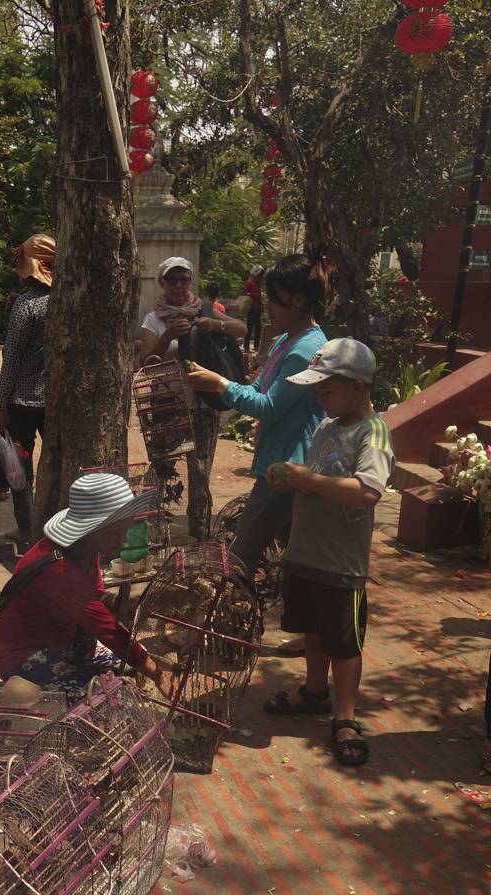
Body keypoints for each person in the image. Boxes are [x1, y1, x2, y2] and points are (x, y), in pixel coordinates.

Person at [262, 339, 395, 767]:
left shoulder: (371, 432)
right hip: (306, 551)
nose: (319, 399)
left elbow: (367, 492)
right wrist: (294, 479)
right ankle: (315, 690)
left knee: (343, 640)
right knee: (313, 629)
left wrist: (310, 481)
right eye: (316, 391)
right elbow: (319, 475)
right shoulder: (327, 425)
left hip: (341, 559)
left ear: (357, 387)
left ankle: (345, 716)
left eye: (326, 390)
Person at [185, 244, 336, 584]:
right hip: (280, 464)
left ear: (297, 299)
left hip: (287, 469)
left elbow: (269, 406)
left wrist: (220, 384)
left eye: (272, 298)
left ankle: (232, 626)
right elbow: (258, 389)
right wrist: (219, 383)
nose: (264, 306)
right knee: (298, 557)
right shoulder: (286, 339)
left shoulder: (306, 350)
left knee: (240, 556)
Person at [0, 473, 174, 702]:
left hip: (61, 638)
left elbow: (95, 592)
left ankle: (41, 684)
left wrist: (113, 603)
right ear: (93, 528)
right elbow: (108, 631)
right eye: (118, 531)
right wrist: (158, 675)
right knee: (100, 697)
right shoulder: (61, 567)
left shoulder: (87, 548)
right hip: (21, 654)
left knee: (124, 671)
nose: (124, 539)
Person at [140, 257, 246, 540]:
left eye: (184, 279)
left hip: (204, 406)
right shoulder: (155, 319)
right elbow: (146, 362)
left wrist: (215, 325)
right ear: (162, 283)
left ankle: (198, 533)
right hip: (168, 405)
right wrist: (169, 335)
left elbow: (241, 329)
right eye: (172, 280)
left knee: (200, 474)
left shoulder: (205, 310)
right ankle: (157, 530)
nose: (178, 285)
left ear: (191, 282)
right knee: (163, 468)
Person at [0, 234, 55, 543]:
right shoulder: (67, 301)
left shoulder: (26, 307)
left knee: (20, 472)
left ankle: (26, 527)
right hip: (54, 403)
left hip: (21, 403)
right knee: (56, 467)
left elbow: (11, 360)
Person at [241, 265, 264, 354]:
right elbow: (244, 293)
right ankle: (246, 346)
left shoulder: (258, 284)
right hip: (251, 309)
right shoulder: (250, 283)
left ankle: (256, 346)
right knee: (249, 327)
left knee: (258, 328)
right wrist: (254, 294)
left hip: (257, 309)